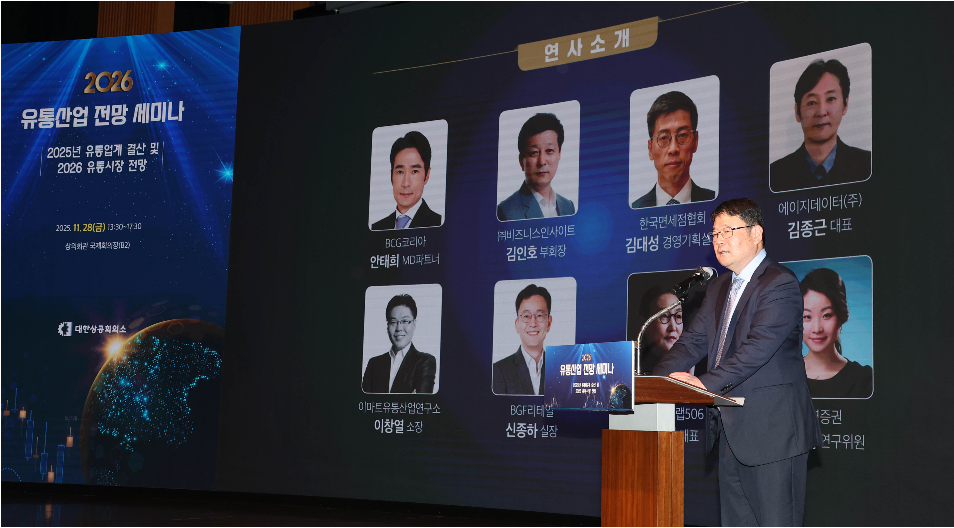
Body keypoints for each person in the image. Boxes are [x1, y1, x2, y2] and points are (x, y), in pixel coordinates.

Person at [653, 198, 821, 527]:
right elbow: (692, 342)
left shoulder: (779, 283)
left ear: (756, 233)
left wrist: (703, 384)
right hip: (730, 433)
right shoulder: (718, 287)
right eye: (715, 233)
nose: (719, 240)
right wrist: (656, 380)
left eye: (728, 231)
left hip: (773, 434)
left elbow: (757, 348)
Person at [770, 59, 871, 192]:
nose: (821, 112)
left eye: (830, 99)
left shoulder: (867, 164)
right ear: (797, 112)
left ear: (845, 105)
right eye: (812, 102)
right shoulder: (775, 174)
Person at [632, 91, 715, 209]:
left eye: (682, 135)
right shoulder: (635, 209)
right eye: (663, 138)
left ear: (695, 141)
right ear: (650, 149)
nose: (673, 149)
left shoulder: (715, 203)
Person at [800, 268, 872, 398]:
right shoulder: (784, 374)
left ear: (840, 317)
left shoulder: (862, 379)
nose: (817, 329)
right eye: (807, 317)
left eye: (826, 315)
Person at [497, 113, 576, 220]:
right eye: (534, 152)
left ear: (559, 154)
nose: (542, 161)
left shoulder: (569, 206)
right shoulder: (506, 212)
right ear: (521, 160)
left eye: (549, 151)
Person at [362, 294, 436, 394]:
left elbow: (421, 401)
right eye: (393, 322)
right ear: (387, 326)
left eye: (405, 321)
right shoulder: (374, 364)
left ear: (414, 323)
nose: (399, 328)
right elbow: (365, 401)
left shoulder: (425, 362)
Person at [371, 131, 442, 230]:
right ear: (391, 176)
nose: (405, 183)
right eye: (400, 172)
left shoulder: (438, 223)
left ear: (427, 176)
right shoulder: (377, 228)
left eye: (415, 171)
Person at [493, 284, 552, 395]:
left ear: (548, 323)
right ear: (517, 324)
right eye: (526, 316)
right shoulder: (499, 371)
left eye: (539, 315)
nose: (533, 323)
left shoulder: (558, 368)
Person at [636, 285, 684, 374]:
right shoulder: (630, 367)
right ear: (643, 323)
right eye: (664, 316)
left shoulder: (700, 367)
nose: (673, 328)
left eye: (678, 316)